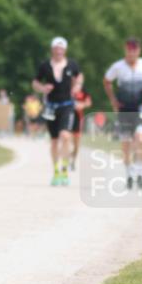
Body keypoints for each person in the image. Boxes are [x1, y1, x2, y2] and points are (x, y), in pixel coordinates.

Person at [103, 37, 142, 190]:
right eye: (129, 50)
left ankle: (140, 171)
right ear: (125, 50)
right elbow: (107, 81)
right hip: (124, 109)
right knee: (126, 142)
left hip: (140, 108)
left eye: (134, 50)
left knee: (140, 138)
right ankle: (129, 174)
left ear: (139, 50)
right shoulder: (118, 66)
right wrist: (113, 100)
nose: (131, 53)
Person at [32, 37, 83, 186]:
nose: (59, 51)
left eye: (61, 48)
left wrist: (77, 86)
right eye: (56, 48)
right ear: (52, 49)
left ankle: (65, 170)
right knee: (54, 141)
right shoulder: (45, 66)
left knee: (65, 136)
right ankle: (56, 172)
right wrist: (42, 88)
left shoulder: (72, 64)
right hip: (51, 107)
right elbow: (35, 82)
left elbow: (79, 76)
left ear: (65, 50)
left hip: (67, 105)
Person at [70, 85, 93, 170]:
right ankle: (66, 159)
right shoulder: (67, 86)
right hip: (67, 117)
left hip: (78, 118)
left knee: (76, 143)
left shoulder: (83, 91)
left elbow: (89, 102)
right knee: (67, 139)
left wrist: (82, 105)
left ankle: (73, 161)